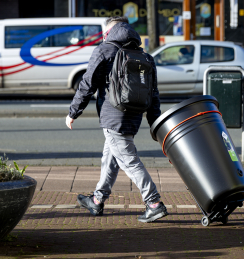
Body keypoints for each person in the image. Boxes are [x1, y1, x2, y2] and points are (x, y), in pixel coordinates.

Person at [65, 16, 168, 223]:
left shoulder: (104, 49)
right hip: (133, 116)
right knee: (110, 159)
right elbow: (153, 94)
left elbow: (87, 83)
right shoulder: (144, 55)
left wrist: (73, 112)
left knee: (128, 161)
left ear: (108, 33)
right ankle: (97, 199)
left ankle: (154, 203)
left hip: (113, 117)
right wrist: (155, 123)